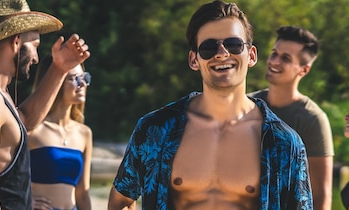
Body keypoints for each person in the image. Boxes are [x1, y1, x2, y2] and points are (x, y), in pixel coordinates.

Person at [107, 1, 312, 209]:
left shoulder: (284, 144)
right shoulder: (154, 130)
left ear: (251, 55)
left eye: (233, 44)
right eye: (208, 47)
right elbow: (121, 200)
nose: (222, 53)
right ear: (194, 60)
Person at [0, 0, 90, 209]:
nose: (35, 59)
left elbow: (24, 122)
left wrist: (59, 69)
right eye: (34, 46)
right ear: (16, 42)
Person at [248, 25, 333, 209]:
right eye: (274, 53)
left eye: (285, 58)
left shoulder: (312, 120)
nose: (274, 61)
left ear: (304, 70)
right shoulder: (248, 105)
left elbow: (321, 194)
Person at [28, 55, 93, 210]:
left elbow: (83, 193)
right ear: (54, 82)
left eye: (84, 78)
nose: (82, 84)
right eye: (74, 79)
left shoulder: (84, 133)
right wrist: (25, 201)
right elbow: (3, 176)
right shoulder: (32, 129)